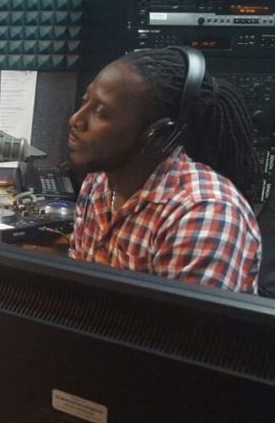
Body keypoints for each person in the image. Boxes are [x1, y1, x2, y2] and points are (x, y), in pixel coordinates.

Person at [67, 46, 261, 293]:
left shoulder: (203, 213)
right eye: (85, 101)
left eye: (101, 112)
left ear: (156, 136)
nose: (76, 119)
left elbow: (183, 319)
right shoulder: (97, 182)